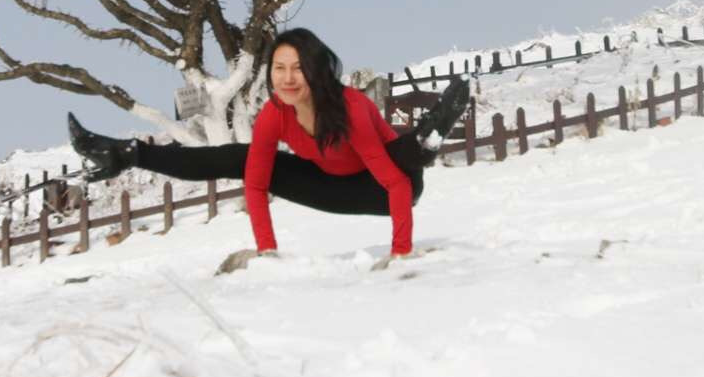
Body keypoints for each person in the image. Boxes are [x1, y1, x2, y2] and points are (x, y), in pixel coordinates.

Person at [67, 28, 471, 258]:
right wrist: (267, 253)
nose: (288, 78)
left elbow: (395, 185)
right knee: (237, 157)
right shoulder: (274, 114)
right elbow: (256, 184)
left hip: (383, 186)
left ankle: (422, 143)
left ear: (316, 71)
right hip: (327, 185)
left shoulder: (350, 107)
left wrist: (400, 252)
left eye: (298, 68)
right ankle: (126, 153)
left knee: (399, 160)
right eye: (279, 69)